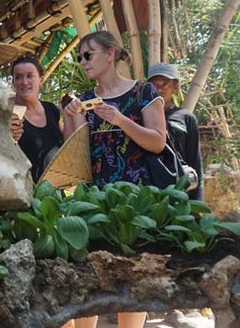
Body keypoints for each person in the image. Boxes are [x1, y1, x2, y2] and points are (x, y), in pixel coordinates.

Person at [63, 30, 167, 328]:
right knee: (92, 275)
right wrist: (71, 118)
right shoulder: (84, 100)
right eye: (79, 56)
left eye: (88, 54)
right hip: (96, 202)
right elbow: (77, 155)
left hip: (138, 201)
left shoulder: (143, 93)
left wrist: (120, 120)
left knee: (133, 277)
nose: (83, 61)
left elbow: (158, 142)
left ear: (110, 54)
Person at [147, 63, 203, 200]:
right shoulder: (141, 117)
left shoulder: (186, 117)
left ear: (175, 88)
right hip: (150, 185)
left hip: (180, 184)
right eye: (154, 85)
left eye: (165, 84)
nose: (159, 89)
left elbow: (194, 159)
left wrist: (197, 203)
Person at [11, 56, 64, 182]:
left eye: (30, 76)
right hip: (27, 191)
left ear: (41, 80)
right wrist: (12, 139)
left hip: (55, 191)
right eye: (18, 77)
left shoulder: (51, 109)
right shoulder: (10, 115)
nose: (24, 82)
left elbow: (64, 146)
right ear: (13, 82)